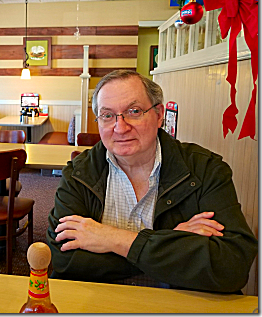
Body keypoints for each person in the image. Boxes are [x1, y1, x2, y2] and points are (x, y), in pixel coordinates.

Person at [47, 70, 257, 293]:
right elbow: (65, 259)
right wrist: (170, 244)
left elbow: (231, 266)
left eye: (134, 111)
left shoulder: (205, 170)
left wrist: (111, 239)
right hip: (99, 302)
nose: (120, 127)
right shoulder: (79, 173)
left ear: (159, 115)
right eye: (107, 115)